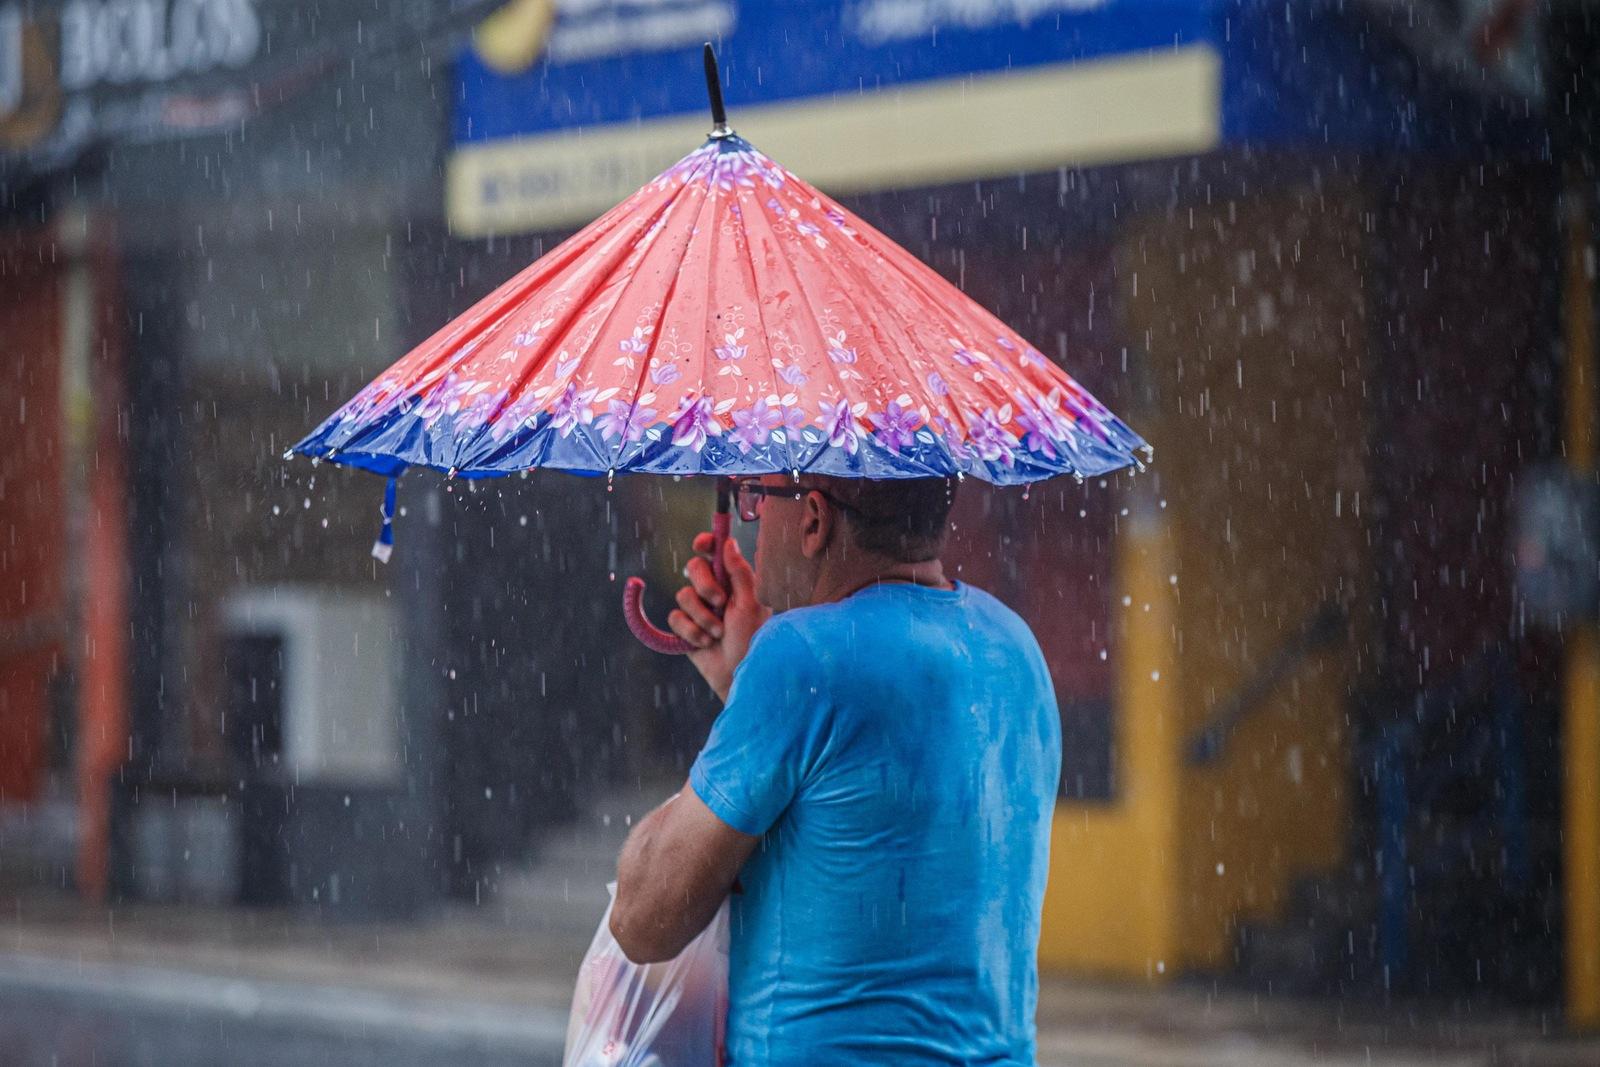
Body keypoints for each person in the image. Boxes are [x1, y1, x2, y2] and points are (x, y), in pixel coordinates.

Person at [609, 473, 1062, 1066]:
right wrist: (744, 687)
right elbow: (872, 802)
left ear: (814, 519)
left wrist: (763, 685)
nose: (752, 521)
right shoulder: (1013, 645)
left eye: (759, 497)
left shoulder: (804, 657)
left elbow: (644, 920)